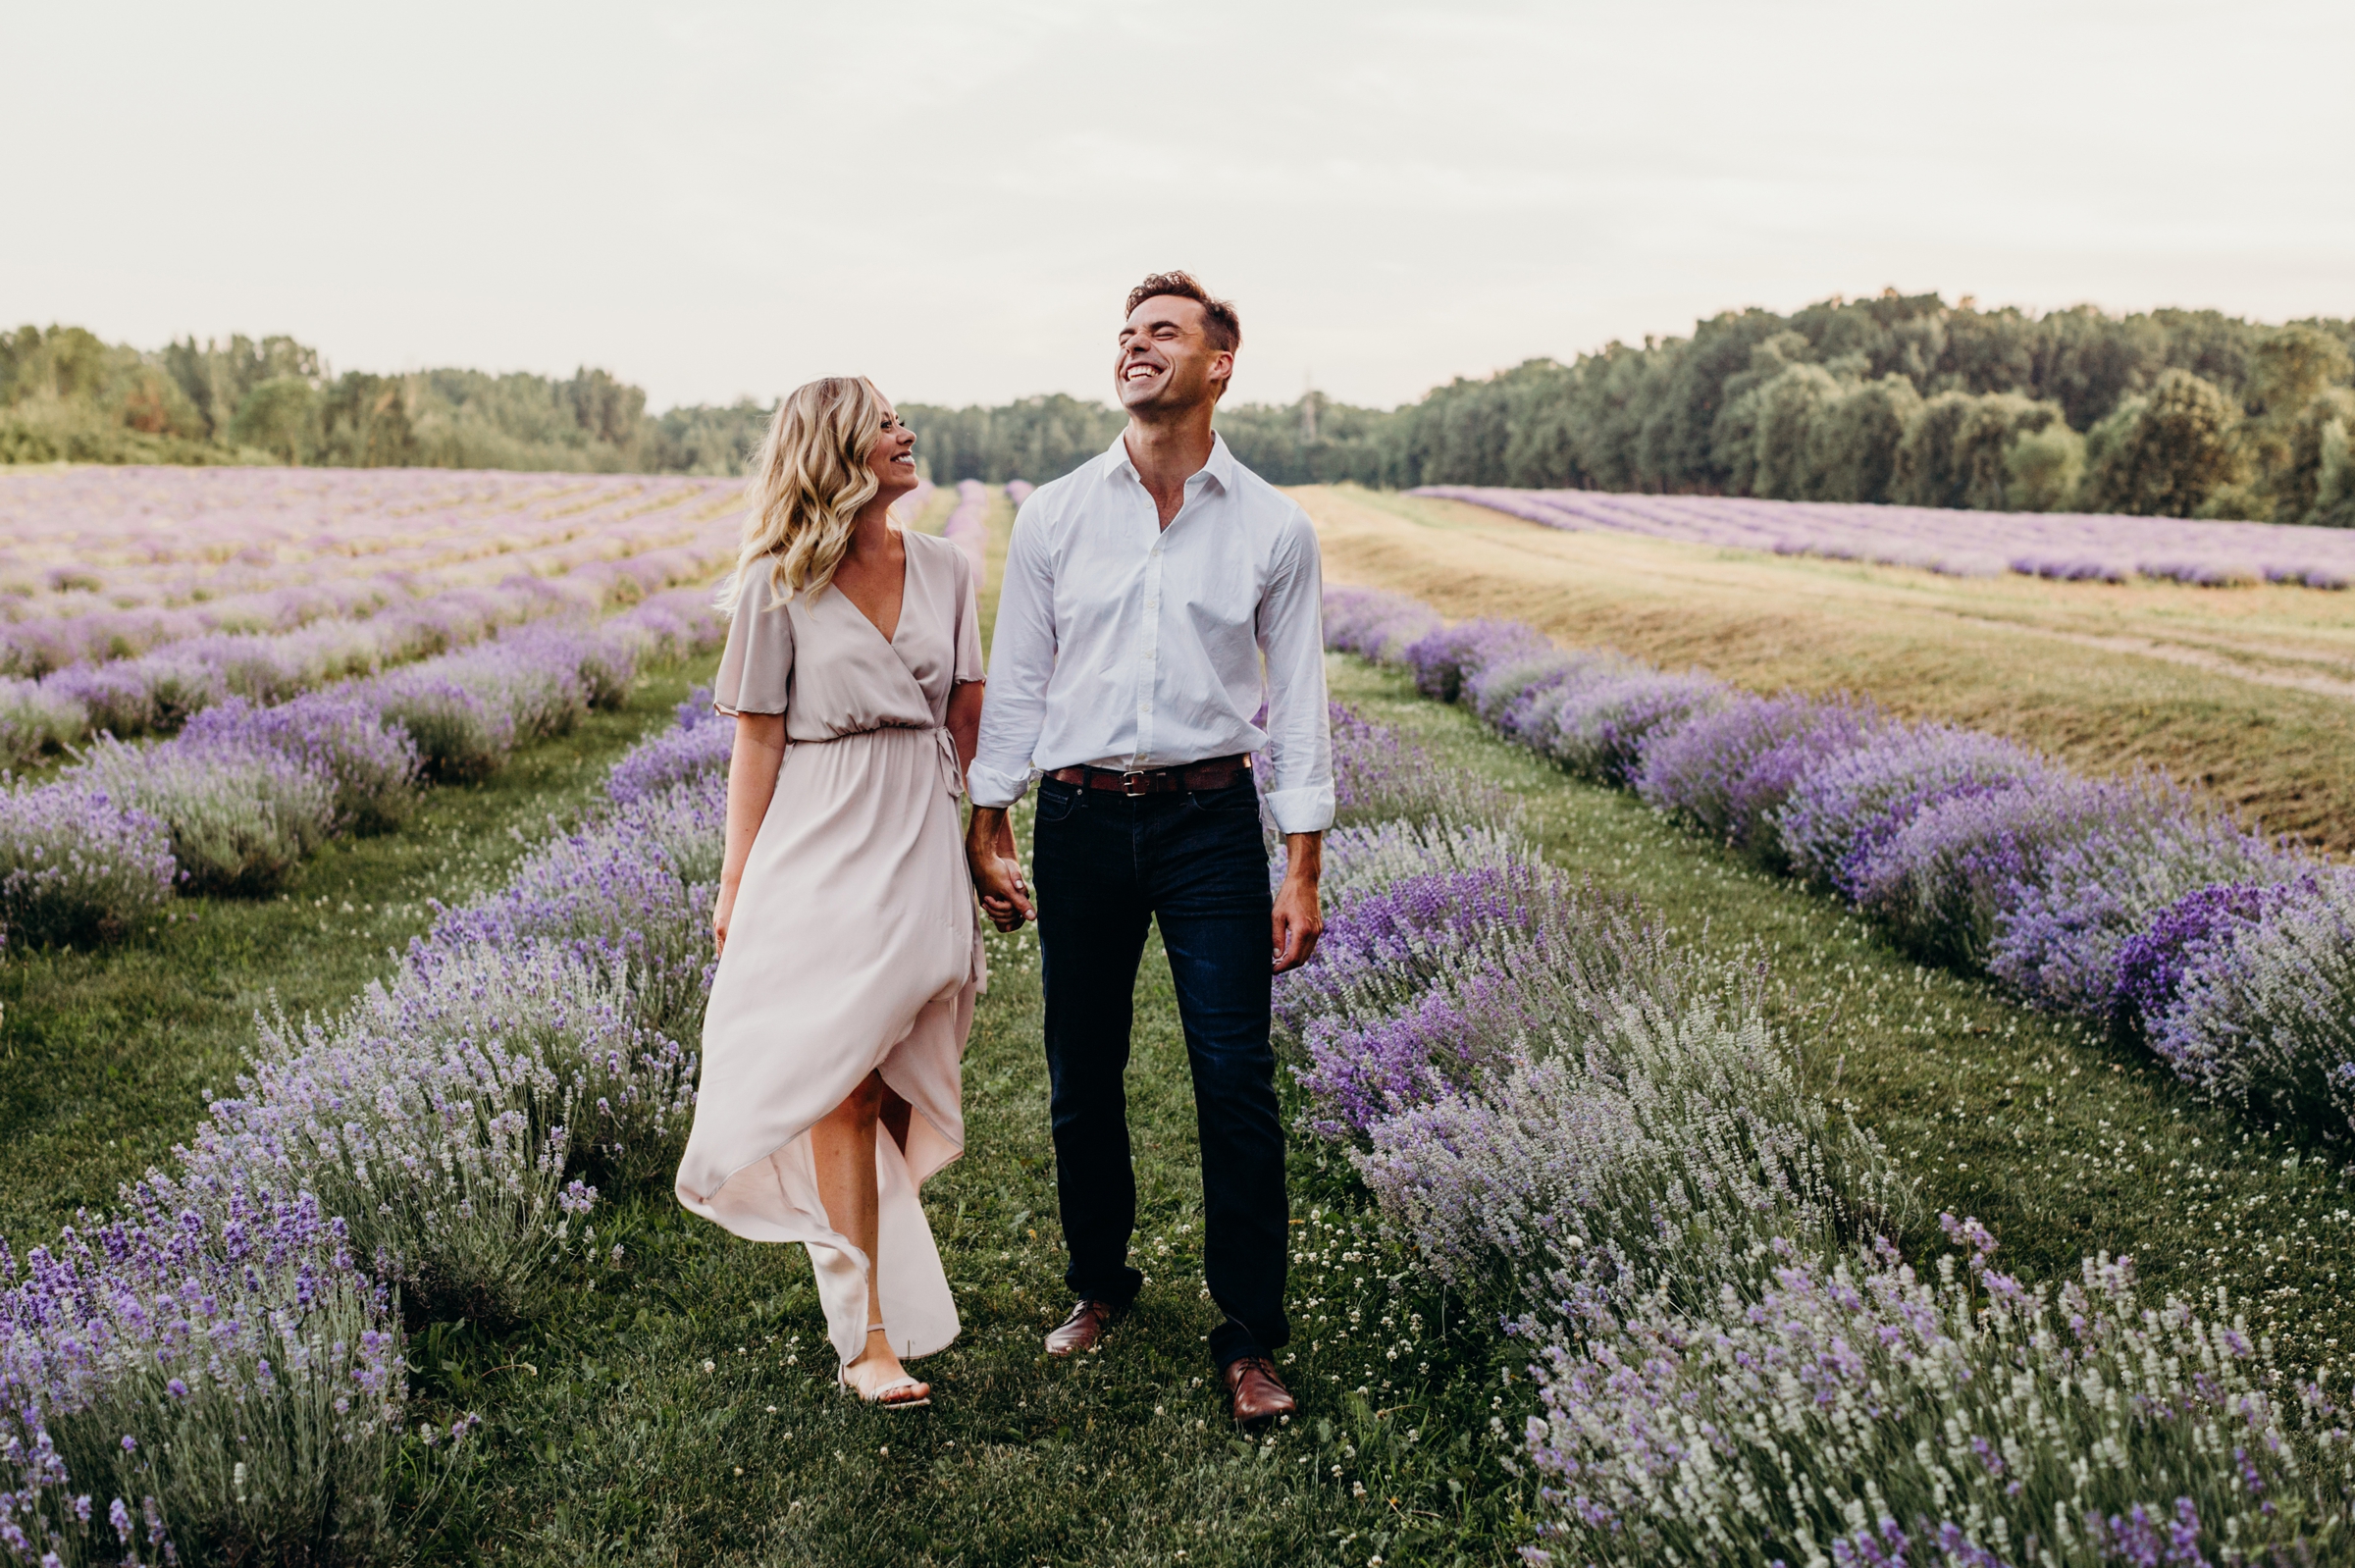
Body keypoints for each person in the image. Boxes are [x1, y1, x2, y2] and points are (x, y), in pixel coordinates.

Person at [965, 271, 1334, 1428]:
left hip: (1208, 824)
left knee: (1234, 1078)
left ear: (1218, 363)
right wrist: (991, 816)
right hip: (1078, 818)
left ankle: (1249, 1334)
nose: (1135, 347)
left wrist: (1303, 860)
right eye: (1126, 334)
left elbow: (1303, 701)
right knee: (1083, 1070)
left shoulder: (1273, 525)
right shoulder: (1060, 513)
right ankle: (1099, 1281)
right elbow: (1019, 676)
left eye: (1162, 332)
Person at [675, 376, 988, 1410]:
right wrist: (737, 881)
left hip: (917, 836)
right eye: (886, 421)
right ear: (839, 448)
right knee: (841, 1080)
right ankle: (867, 1339)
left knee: (897, 1076)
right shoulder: (781, 579)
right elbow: (756, 737)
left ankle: (877, 1261)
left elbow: (969, 716)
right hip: (818, 836)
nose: (907, 431)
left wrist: (990, 844)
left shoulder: (947, 568)